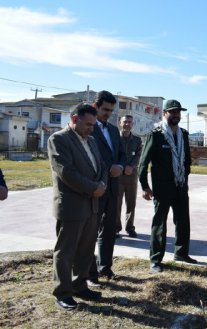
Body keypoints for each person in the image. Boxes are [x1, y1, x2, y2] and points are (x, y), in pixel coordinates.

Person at [48, 103, 107, 310]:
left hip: (91, 205)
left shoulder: (90, 141)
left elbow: (101, 166)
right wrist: (93, 188)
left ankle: (79, 285)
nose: (92, 128)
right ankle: (63, 292)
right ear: (74, 120)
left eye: (94, 124)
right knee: (65, 252)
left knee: (85, 250)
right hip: (72, 206)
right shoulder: (58, 139)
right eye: (88, 124)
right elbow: (67, 172)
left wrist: (102, 184)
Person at [138, 99, 197, 273]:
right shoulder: (156, 134)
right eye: (172, 112)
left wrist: (183, 177)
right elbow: (143, 163)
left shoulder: (183, 134)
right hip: (162, 188)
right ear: (164, 114)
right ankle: (155, 259)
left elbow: (187, 160)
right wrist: (144, 186)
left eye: (178, 112)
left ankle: (181, 253)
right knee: (160, 224)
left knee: (183, 221)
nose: (176, 115)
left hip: (180, 186)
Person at [88, 91, 125, 285]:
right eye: (105, 110)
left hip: (113, 187)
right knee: (90, 231)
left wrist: (119, 165)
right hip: (96, 187)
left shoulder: (112, 130)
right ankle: (89, 271)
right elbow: (89, 157)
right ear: (95, 107)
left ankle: (105, 267)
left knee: (109, 229)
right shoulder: (88, 129)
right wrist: (107, 169)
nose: (108, 113)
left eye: (111, 110)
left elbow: (121, 152)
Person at [115, 115, 142, 238]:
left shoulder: (137, 140)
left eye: (129, 122)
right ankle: (116, 228)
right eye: (125, 122)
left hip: (131, 176)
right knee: (116, 203)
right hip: (117, 176)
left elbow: (139, 155)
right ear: (120, 123)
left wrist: (131, 166)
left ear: (132, 124)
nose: (127, 124)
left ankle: (130, 227)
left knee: (131, 203)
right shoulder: (115, 138)